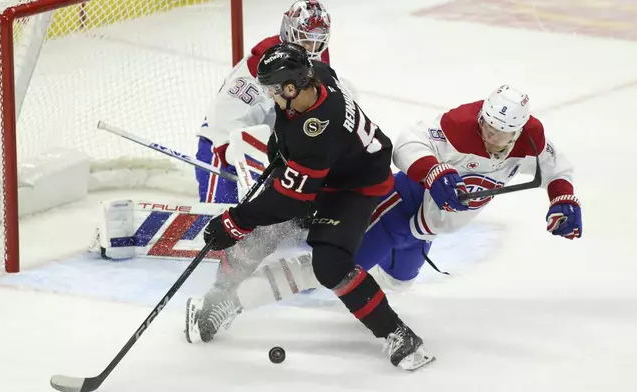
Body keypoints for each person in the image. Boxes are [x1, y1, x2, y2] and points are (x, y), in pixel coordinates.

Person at [186, 84, 582, 363]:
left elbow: (554, 165)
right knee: (327, 271)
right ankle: (226, 304)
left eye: (500, 133)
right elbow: (408, 141)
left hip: (423, 232)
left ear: (517, 129)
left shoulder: (530, 139)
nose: (490, 135)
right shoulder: (461, 124)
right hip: (397, 206)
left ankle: (337, 258)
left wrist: (562, 199)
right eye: (487, 126)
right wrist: (436, 172)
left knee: (400, 281)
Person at [187, 42, 435, 372]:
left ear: (292, 86)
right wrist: (279, 150)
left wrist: (234, 222)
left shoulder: (317, 131)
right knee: (262, 228)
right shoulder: (315, 77)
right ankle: (219, 301)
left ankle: (399, 335)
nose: (271, 97)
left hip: (355, 187)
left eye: (275, 90)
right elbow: (294, 111)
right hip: (332, 167)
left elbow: (290, 199)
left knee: (329, 264)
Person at [196, 0, 332, 204]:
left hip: (267, 149)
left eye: (317, 42)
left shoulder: (318, 58)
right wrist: (229, 151)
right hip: (222, 142)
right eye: (305, 40)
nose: (311, 48)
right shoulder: (265, 60)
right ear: (289, 32)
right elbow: (223, 114)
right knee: (220, 216)